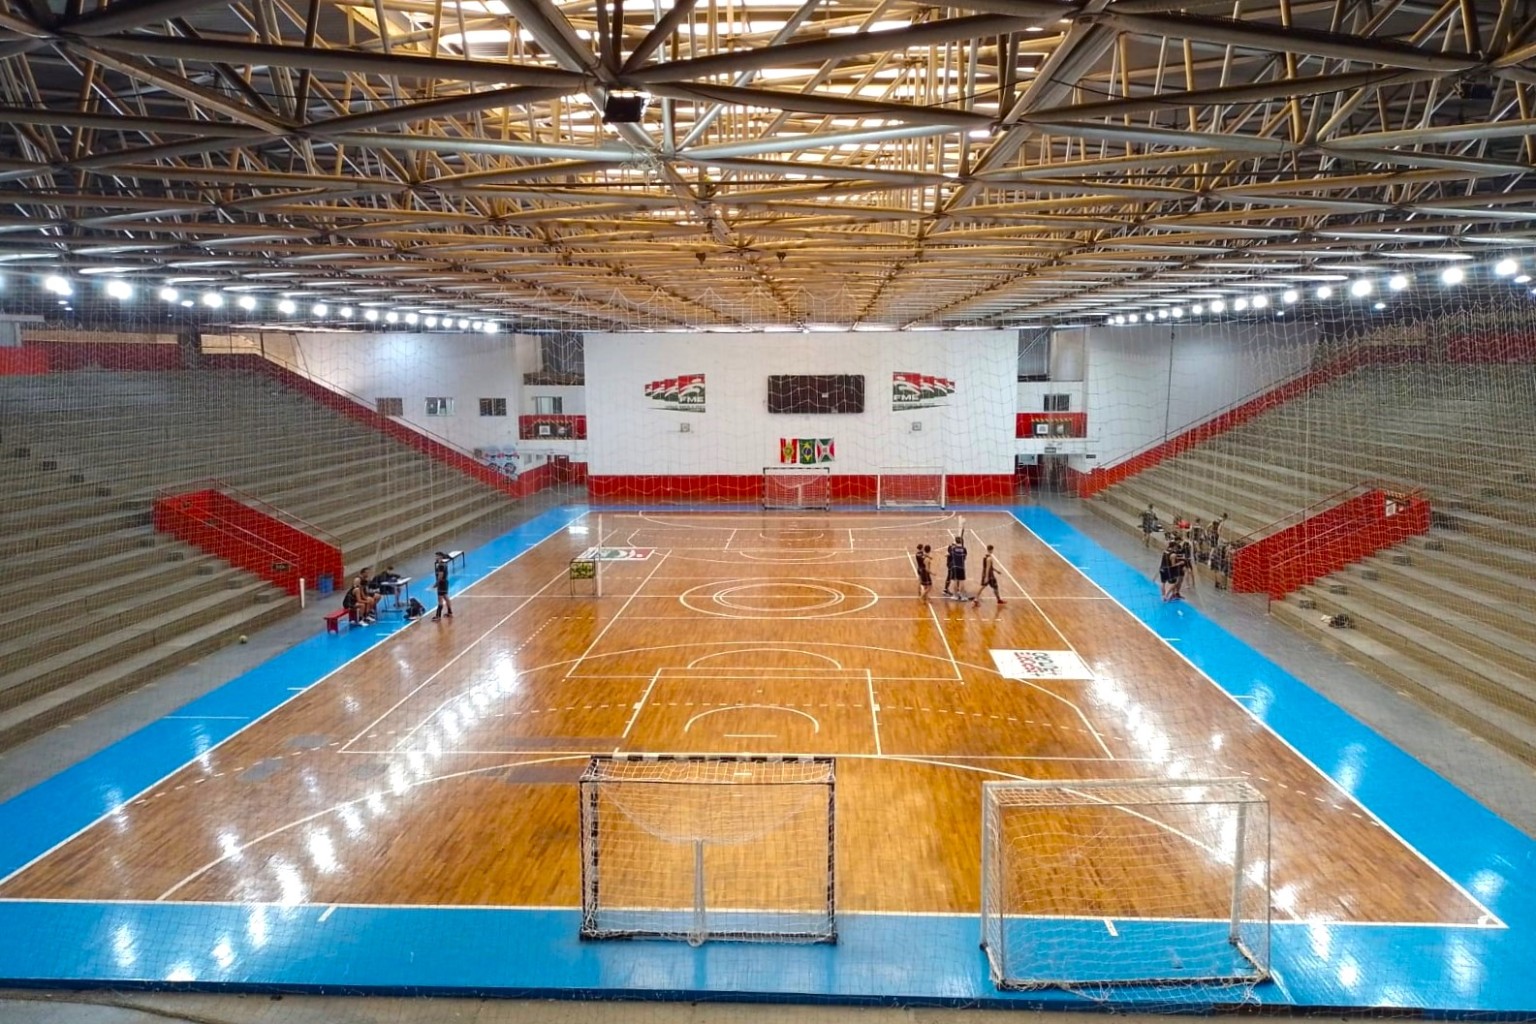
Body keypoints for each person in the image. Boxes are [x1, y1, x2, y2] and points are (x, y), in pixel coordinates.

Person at [1158, 536, 1186, 602]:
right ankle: (1167, 595)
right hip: (1167, 570)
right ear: (1174, 546)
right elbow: (1173, 565)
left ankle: (1163, 596)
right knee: (1174, 583)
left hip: (1162, 568)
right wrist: (1180, 563)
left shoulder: (1165, 551)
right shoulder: (1173, 554)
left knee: (1163, 583)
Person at [943, 535, 968, 600]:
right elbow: (964, 557)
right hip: (961, 566)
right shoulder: (964, 549)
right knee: (962, 581)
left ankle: (955, 595)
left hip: (955, 566)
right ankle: (962, 596)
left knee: (955, 580)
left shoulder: (953, 549)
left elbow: (948, 554)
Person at [432, 552, 453, 620]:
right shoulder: (444, 564)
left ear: (440, 557)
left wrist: (436, 584)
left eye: (437, 556)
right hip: (445, 583)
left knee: (440, 599)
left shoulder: (441, 565)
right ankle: (449, 612)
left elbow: (440, 576)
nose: (435, 557)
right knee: (446, 597)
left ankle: (438, 616)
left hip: (441, 584)